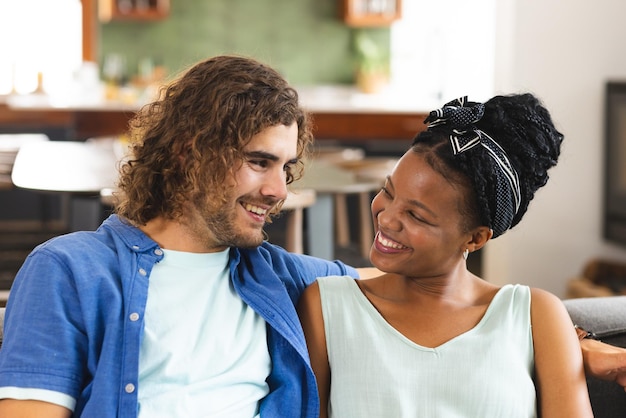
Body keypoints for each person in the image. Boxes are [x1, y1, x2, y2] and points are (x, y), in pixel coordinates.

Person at [0, 56, 623, 418]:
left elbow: (433, 298)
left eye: (286, 167)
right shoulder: (71, 270)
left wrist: (571, 344)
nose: (279, 190)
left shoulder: (287, 280)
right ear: (191, 151)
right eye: (259, 162)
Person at [297, 94, 593, 417]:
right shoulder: (326, 307)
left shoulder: (535, 315)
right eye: (388, 192)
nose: (386, 218)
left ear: (476, 238)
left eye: (416, 216)